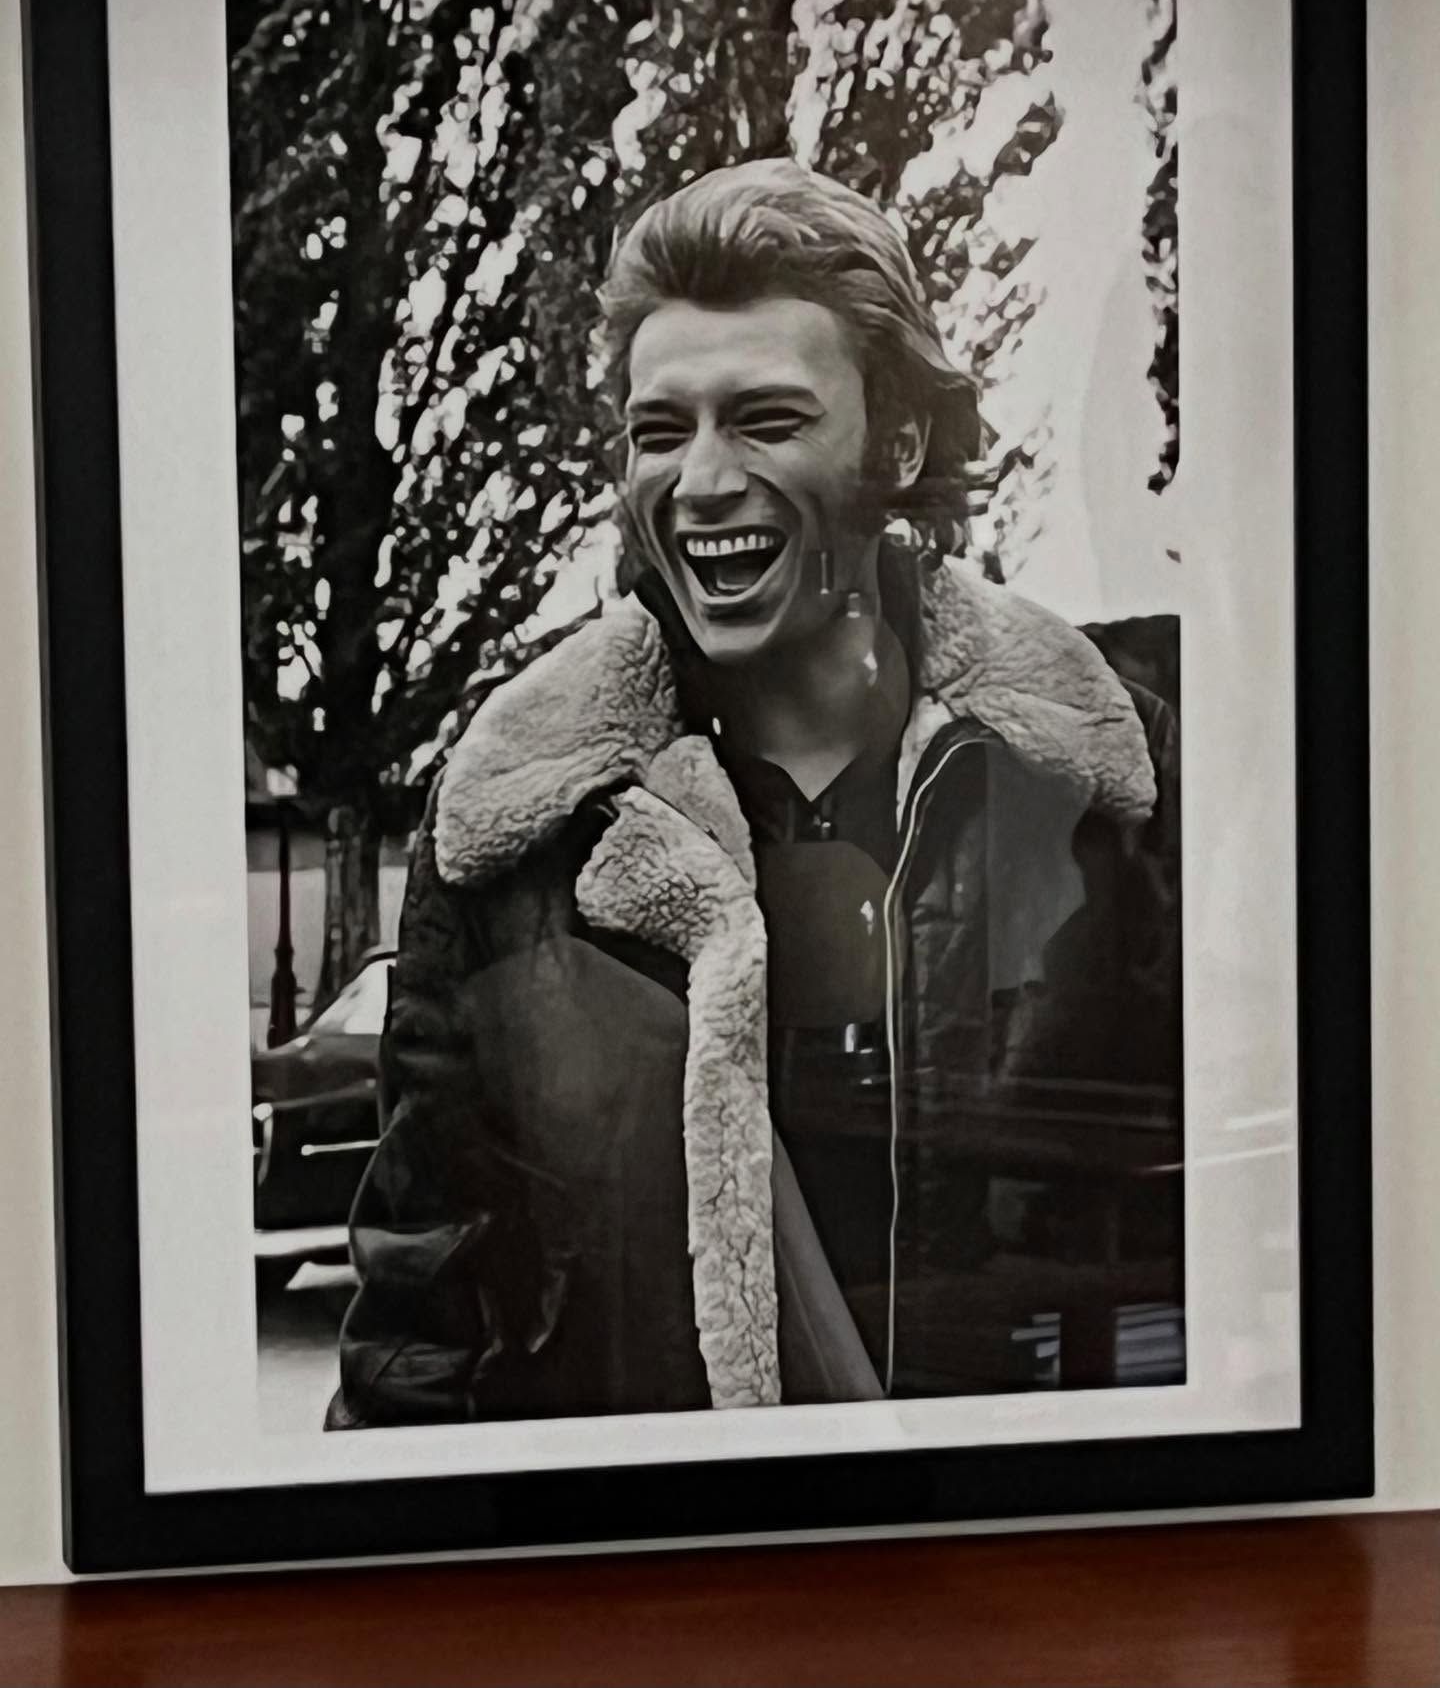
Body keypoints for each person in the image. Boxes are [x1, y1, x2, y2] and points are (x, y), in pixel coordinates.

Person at [328, 159, 1181, 1428]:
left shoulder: (1101, 779)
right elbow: (421, 1312)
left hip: (1022, 1561)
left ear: (895, 438)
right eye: (659, 431)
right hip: (654, 1580)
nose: (704, 480)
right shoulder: (517, 814)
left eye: (767, 420)